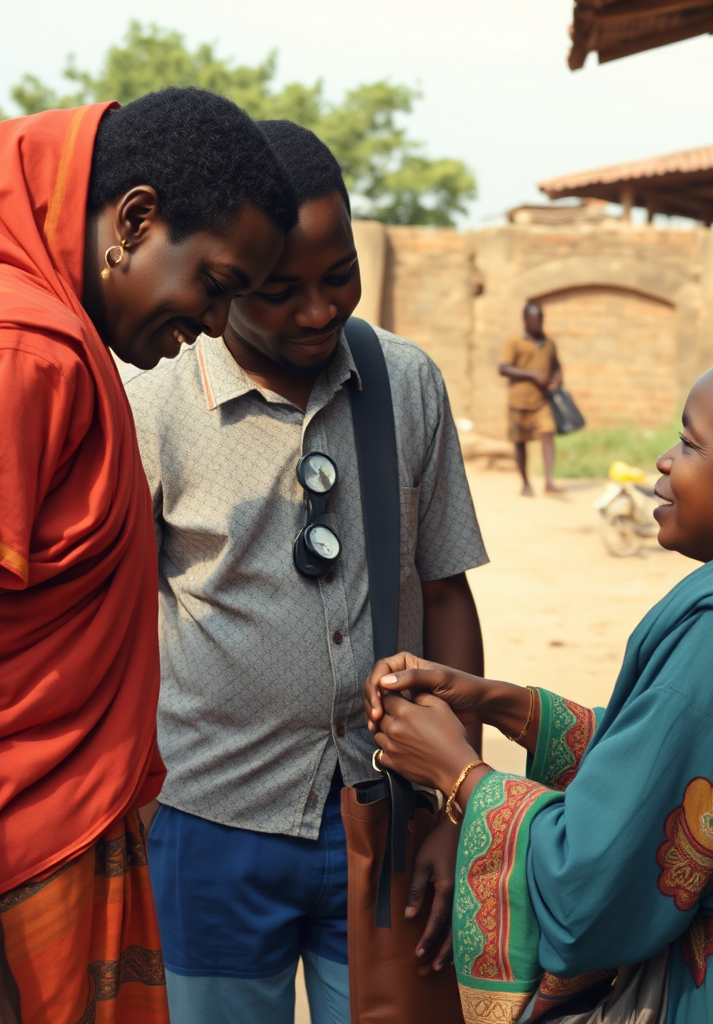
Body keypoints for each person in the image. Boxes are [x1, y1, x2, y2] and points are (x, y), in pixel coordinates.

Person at [0, 89, 296, 1024]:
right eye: (217, 284)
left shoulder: (8, 314)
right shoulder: (19, 353)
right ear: (135, 220)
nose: (220, 325)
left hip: (6, 848)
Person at [366, 341, 713, 1024]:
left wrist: (459, 775)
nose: (664, 461)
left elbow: (593, 884)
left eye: (689, 441)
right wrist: (509, 705)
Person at [123, 121, 488, 1024]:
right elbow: (112, 621)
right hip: (208, 821)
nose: (321, 310)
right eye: (281, 291)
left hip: (389, 815)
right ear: (224, 283)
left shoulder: (405, 383)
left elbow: (444, 592)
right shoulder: (152, 403)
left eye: (341, 277)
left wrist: (453, 806)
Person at [498, 302, 563, 496]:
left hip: (542, 402)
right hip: (519, 402)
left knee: (548, 433)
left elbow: (556, 366)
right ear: (525, 320)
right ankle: (525, 483)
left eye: (540, 319)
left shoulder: (548, 343)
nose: (537, 323)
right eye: (533, 319)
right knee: (520, 441)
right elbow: (503, 368)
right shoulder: (515, 342)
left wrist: (556, 382)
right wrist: (532, 375)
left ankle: (549, 482)